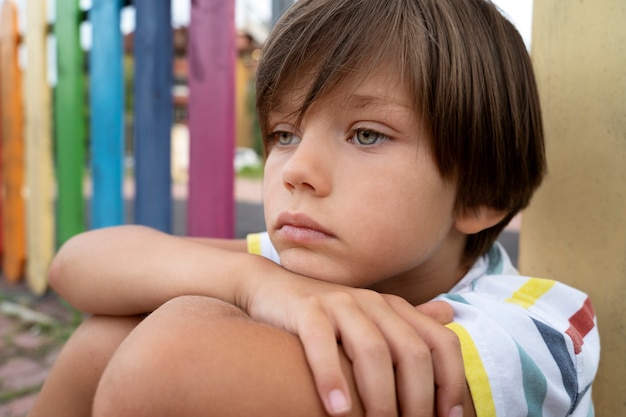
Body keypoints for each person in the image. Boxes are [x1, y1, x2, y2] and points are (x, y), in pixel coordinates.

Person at [29, 0, 599, 416]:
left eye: (367, 135)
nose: (297, 169)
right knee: (105, 338)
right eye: (284, 134)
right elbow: (77, 263)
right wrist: (254, 281)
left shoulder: (537, 328)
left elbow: (165, 370)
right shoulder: (295, 263)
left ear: (480, 193)